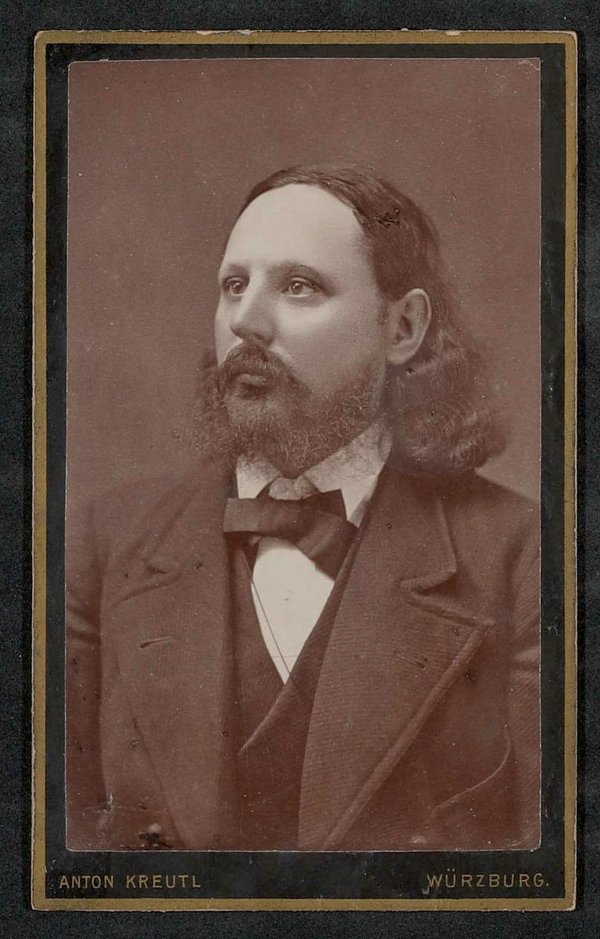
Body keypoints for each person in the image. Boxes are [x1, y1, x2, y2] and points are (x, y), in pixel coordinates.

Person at [66, 163, 540, 852]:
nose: (245, 322)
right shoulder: (102, 545)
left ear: (402, 327)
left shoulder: (525, 558)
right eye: (234, 285)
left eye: (299, 286)